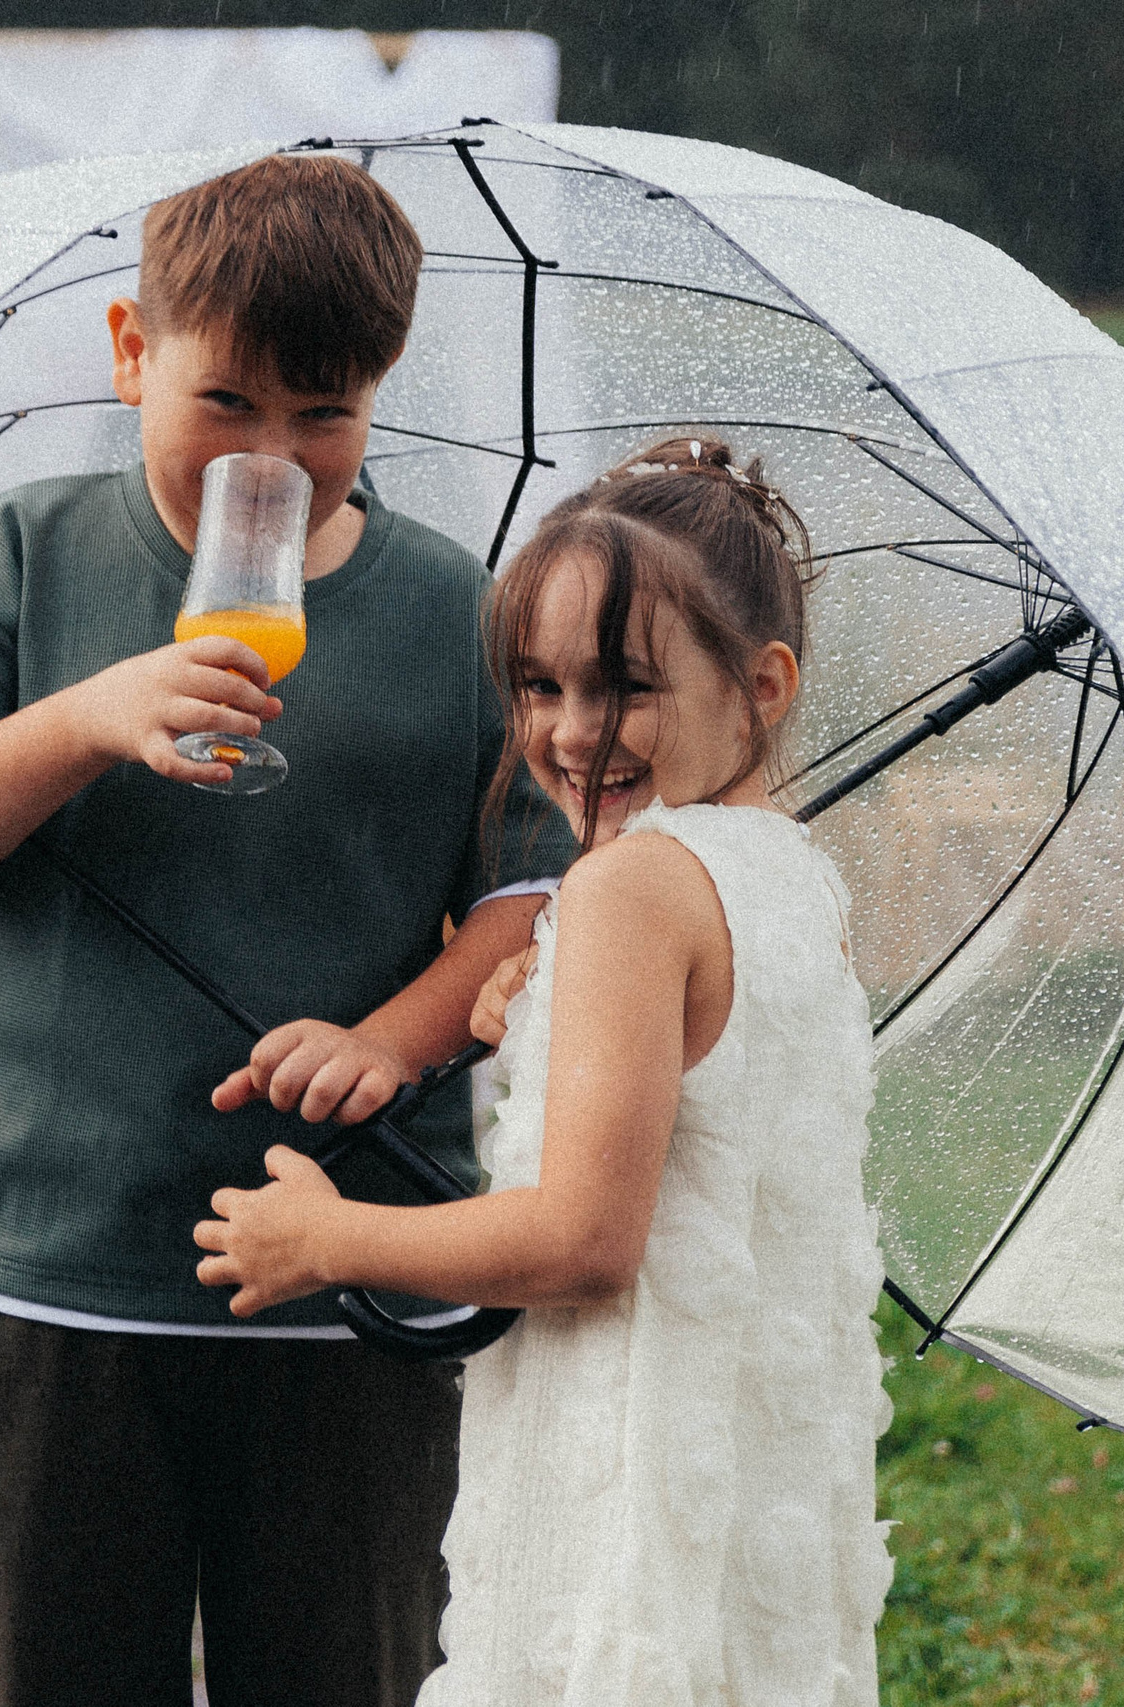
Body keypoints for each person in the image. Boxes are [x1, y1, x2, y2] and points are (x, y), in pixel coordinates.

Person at [0, 153, 572, 1707]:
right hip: (49, 1268)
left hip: (356, 1277)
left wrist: (392, 1038)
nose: (274, 459)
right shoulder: (27, 557)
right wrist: (83, 718)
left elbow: (532, 892)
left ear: (382, 390)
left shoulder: (454, 612)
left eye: (325, 415)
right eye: (226, 404)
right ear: (129, 352)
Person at [195, 437, 897, 1705]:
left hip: (626, 1492)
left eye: (625, 687)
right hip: (753, 1489)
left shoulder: (631, 884)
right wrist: (546, 1003)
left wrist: (326, 1239)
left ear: (766, 681)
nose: (573, 736)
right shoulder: (795, 880)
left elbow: (583, 1241)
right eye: (536, 686)